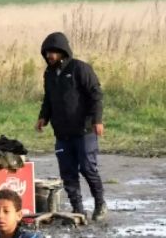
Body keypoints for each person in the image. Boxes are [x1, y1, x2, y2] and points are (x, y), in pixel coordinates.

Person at [34, 32, 107, 221]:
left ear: (62, 52)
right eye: (47, 52)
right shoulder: (49, 74)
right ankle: (78, 210)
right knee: (68, 173)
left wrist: (97, 120)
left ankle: (100, 204)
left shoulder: (79, 69)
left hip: (84, 130)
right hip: (62, 133)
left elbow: (96, 95)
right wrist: (43, 117)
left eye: (53, 52)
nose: (49, 56)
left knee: (87, 168)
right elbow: (48, 99)